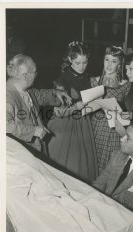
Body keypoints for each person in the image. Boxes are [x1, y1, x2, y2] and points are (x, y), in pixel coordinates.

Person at [47, 41, 98, 183]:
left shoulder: (88, 77)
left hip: (83, 123)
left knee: (82, 168)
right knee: (65, 166)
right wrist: (76, 107)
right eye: (78, 63)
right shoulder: (61, 81)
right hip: (65, 125)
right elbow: (58, 112)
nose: (82, 67)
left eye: (85, 62)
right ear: (70, 60)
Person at [6, 54, 72, 155]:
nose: (37, 75)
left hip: (35, 150)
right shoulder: (7, 96)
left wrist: (55, 92)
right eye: (35, 72)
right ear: (25, 76)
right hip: (21, 154)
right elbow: (4, 126)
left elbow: (40, 95)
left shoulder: (24, 89)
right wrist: (33, 131)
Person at [91, 45, 130, 174]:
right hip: (95, 126)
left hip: (114, 130)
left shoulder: (126, 84)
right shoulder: (94, 81)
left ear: (119, 65)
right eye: (106, 59)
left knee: (110, 167)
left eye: (114, 61)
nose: (109, 64)